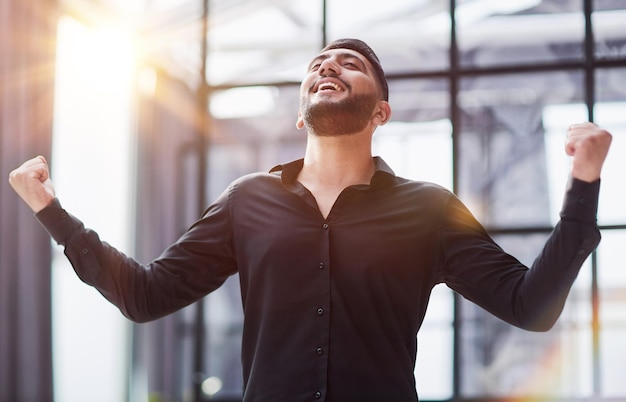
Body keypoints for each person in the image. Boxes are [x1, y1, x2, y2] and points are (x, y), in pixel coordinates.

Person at [9, 38, 612, 402]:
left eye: (348, 64)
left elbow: (531, 307)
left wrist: (583, 185)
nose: (328, 67)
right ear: (301, 114)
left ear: (381, 110)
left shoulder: (429, 209)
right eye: (318, 64)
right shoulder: (248, 200)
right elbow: (146, 295)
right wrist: (51, 212)